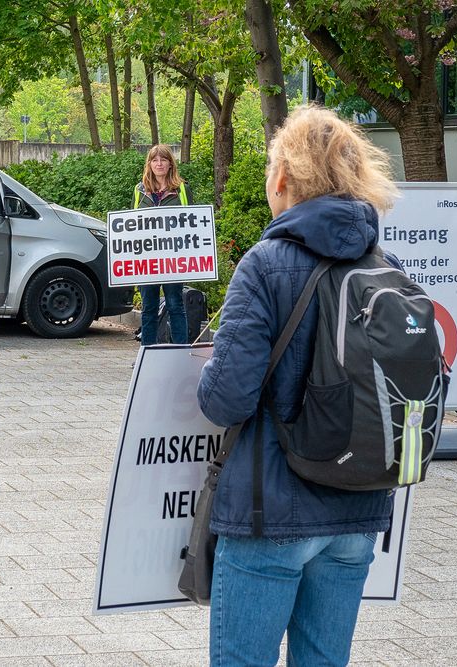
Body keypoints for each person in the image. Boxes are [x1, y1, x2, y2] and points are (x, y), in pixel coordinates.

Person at [196, 105, 398, 666]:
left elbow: (227, 399)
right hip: (358, 514)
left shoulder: (264, 265)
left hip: (270, 512)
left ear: (283, 177)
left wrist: (207, 374)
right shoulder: (384, 265)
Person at [134, 145, 190, 346]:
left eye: (163, 160)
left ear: (170, 164)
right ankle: (146, 353)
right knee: (148, 307)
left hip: (173, 259)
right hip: (147, 260)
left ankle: (180, 352)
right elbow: (133, 223)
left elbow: (191, 223)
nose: (159, 164)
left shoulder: (182, 189)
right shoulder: (139, 190)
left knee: (175, 305)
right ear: (149, 164)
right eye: (155, 160)